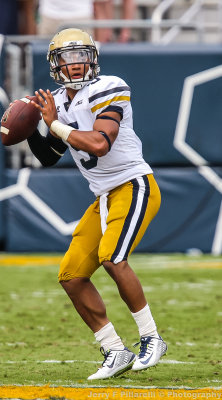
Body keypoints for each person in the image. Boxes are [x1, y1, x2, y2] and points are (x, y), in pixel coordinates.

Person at [27, 28, 167, 380]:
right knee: (71, 275)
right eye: (67, 58)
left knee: (113, 258)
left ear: (93, 58)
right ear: (55, 64)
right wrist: (29, 127)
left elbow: (99, 144)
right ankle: (114, 349)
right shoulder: (57, 101)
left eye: (81, 56)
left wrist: (54, 124)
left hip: (133, 185)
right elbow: (48, 156)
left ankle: (151, 337)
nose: (75, 64)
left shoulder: (109, 87)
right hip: (103, 194)